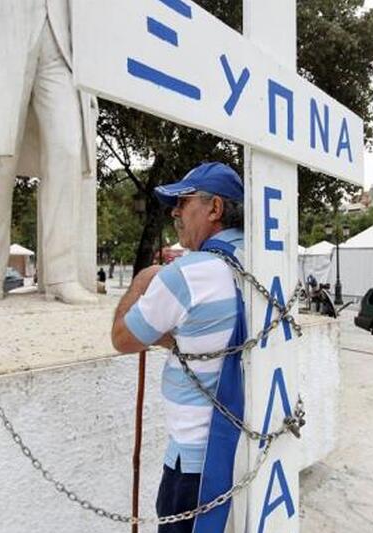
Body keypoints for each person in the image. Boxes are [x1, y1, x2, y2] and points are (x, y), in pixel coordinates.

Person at [112, 162, 246, 532]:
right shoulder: (263, 261)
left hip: (196, 460)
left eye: (183, 202)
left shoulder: (187, 274)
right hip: (247, 446)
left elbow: (123, 337)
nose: (174, 213)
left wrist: (142, 283)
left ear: (214, 208)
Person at [0, 0, 97, 304]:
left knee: (67, 150)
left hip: (60, 35)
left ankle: (61, 275)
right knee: (1, 158)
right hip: (8, 22)